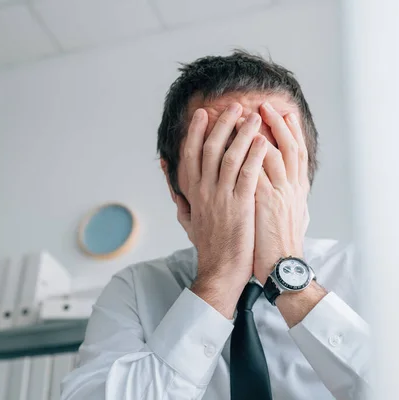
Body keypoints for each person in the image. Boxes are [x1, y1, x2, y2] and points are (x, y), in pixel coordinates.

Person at [62, 51, 370, 400]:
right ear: (174, 182)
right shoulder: (135, 290)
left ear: (304, 175)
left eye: (268, 158)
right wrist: (220, 275)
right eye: (223, 161)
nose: (247, 178)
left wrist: (290, 278)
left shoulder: (368, 272)